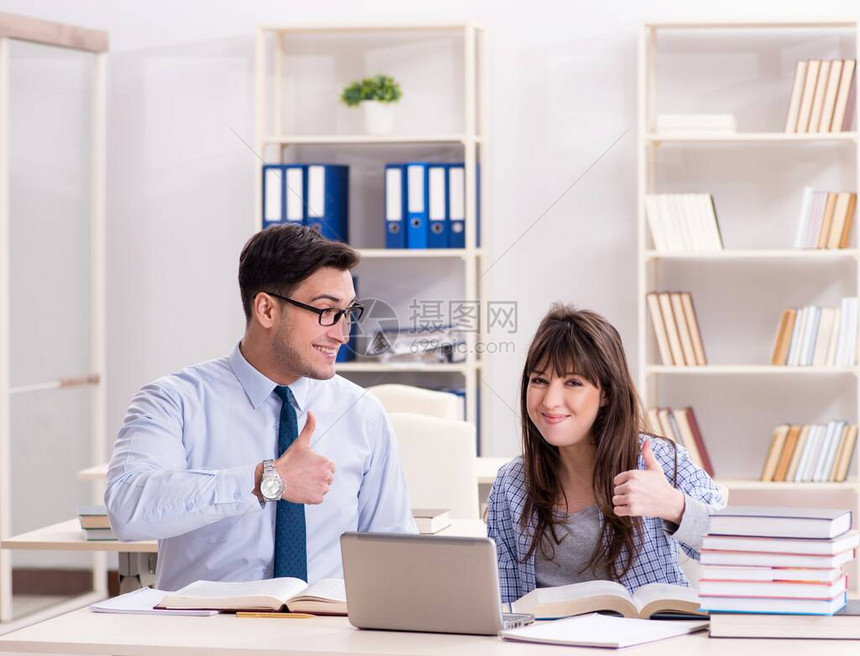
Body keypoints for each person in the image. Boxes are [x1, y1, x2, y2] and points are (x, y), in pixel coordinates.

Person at [105, 224, 416, 591]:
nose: (342, 333)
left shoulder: (362, 413)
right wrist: (266, 480)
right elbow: (128, 509)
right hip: (207, 635)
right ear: (267, 309)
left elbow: (394, 549)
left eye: (348, 312)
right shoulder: (174, 401)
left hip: (326, 636)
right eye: (326, 311)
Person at [487, 304, 723, 603]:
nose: (550, 400)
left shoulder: (657, 459)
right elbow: (503, 602)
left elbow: (735, 547)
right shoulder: (511, 483)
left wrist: (674, 506)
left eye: (573, 382)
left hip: (650, 640)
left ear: (606, 394)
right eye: (539, 380)